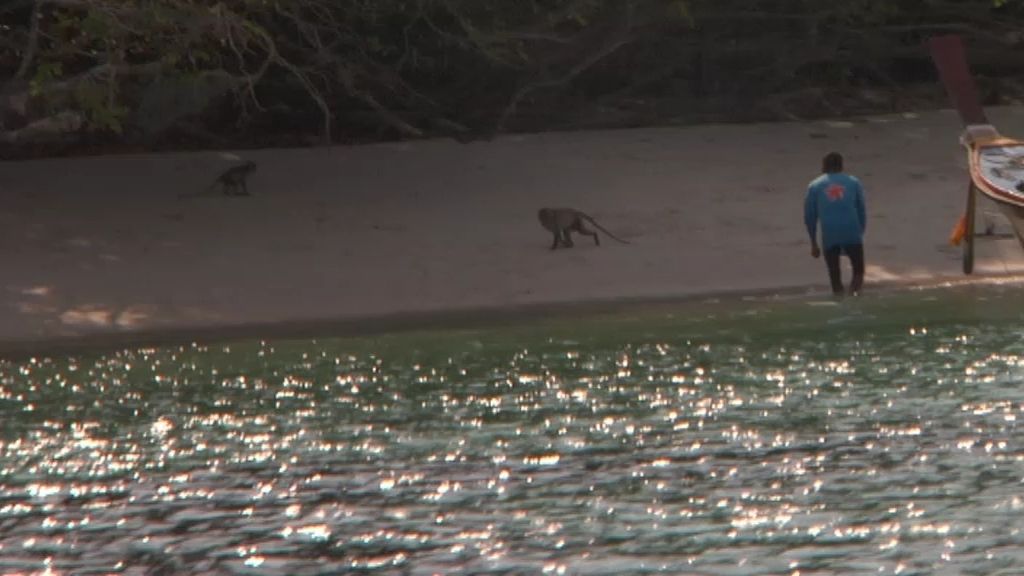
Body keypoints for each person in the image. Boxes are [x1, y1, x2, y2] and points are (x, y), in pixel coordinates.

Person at [804, 152, 867, 297]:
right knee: (858, 270)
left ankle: (839, 297)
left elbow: (810, 216)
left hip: (830, 234)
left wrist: (813, 243)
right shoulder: (853, 182)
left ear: (824, 166)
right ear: (841, 166)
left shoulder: (815, 186)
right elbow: (861, 210)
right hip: (852, 231)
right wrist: (860, 233)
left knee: (834, 273)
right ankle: (853, 295)